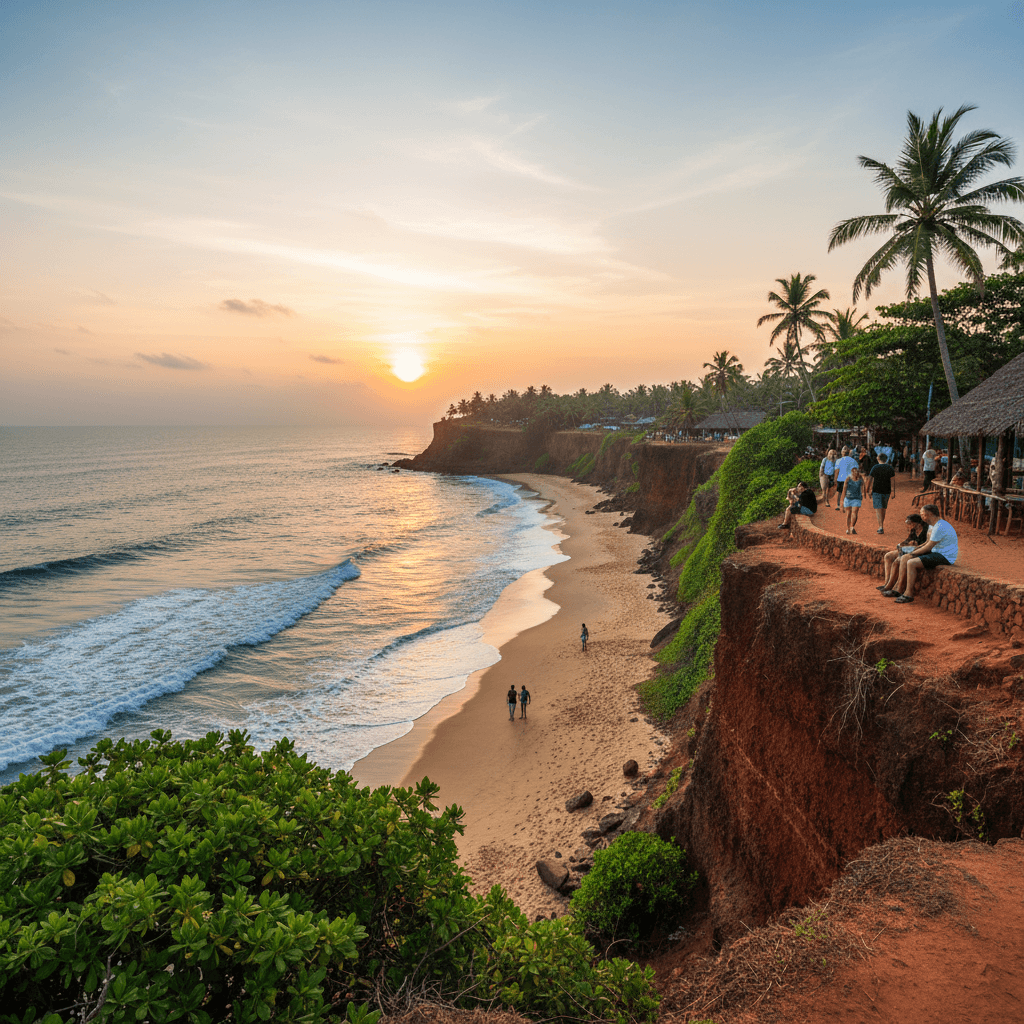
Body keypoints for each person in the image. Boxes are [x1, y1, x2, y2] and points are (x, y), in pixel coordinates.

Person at [882, 504, 958, 603]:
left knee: (911, 562)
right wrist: (914, 550)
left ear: (930, 514)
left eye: (923, 514)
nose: (921, 517)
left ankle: (908, 593)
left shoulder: (939, 526)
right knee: (905, 558)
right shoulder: (933, 525)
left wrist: (913, 553)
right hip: (936, 552)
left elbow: (928, 546)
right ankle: (898, 588)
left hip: (944, 556)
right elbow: (927, 542)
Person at [876, 514, 927, 593]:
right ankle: (887, 583)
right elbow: (908, 540)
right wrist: (901, 544)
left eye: (910, 523)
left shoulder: (926, 530)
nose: (908, 525)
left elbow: (927, 544)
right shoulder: (914, 530)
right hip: (910, 550)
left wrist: (916, 545)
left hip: (918, 551)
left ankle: (893, 586)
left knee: (898, 560)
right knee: (888, 556)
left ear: (917, 523)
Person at [866, 453, 897, 534]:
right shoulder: (890, 468)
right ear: (886, 459)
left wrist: (867, 489)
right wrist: (893, 491)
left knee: (879, 509)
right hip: (887, 490)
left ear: (878, 458)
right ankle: (881, 526)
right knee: (883, 509)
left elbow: (870, 479)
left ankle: (880, 526)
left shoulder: (875, 467)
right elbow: (892, 480)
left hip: (876, 490)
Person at [840, 466, 863, 534]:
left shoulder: (860, 479)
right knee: (848, 514)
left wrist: (863, 494)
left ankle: (852, 526)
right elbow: (844, 490)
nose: (856, 473)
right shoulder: (848, 479)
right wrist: (842, 502)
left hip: (857, 498)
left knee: (855, 512)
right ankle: (848, 528)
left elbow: (862, 487)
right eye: (854, 472)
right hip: (848, 498)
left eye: (857, 472)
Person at [834, 447, 858, 512]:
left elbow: (837, 471)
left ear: (842, 453)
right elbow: (855, 471)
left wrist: (835, 479)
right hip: (850, 479)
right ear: (849, 453)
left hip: (840, 479)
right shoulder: (853, 461)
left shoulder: (838, 461)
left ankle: (838, 505)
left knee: (839, 492)